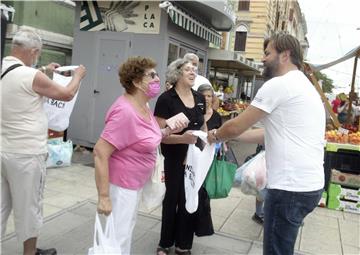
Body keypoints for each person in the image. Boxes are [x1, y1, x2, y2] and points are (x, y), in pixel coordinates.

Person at [208, 33, 325, 255]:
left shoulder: (279, 85)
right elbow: (268, 133)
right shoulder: (304, 85)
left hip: (288, 188)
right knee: (282, 247)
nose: (262, 59)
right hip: (309, 186)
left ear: (285, 55)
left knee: (276, 250)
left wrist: (214, 135)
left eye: (267, 53)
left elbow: (234, 126)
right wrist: (234, 136)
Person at [1, 29, 86, 255]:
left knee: (1, 206)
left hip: (4, 150)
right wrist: (78, 76)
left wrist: (45, 71)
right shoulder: (31, 76)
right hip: (27, 154)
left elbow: (24, 80)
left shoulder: (5, 69)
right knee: (29, 206)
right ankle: (30, 252)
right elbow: (66, 94)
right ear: (34, 51)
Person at [93, 56, 186, 255]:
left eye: (157, 74)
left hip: (133, 184)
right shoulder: (125, 111)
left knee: (123, 234)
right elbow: (100, 152)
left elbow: (142, 138)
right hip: (121, 185)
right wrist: (103, 197)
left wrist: (168, 130)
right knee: (117, 238)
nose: (157, 79)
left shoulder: (143, 107)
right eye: (151, 75)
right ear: (136, 82)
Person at [154, 58, 206, 255]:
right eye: (187, 69)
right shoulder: (166, 99)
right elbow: (160, 136)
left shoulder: (200, 97)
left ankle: (183, 244)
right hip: (174, 159)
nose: (193, 72)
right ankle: (165, 242)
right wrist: (183, 139)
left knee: (189, 199)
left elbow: (202, 125)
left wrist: (206, 141)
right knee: (171, 200)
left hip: (194, 159)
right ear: (177, 74)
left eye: (194, 69)